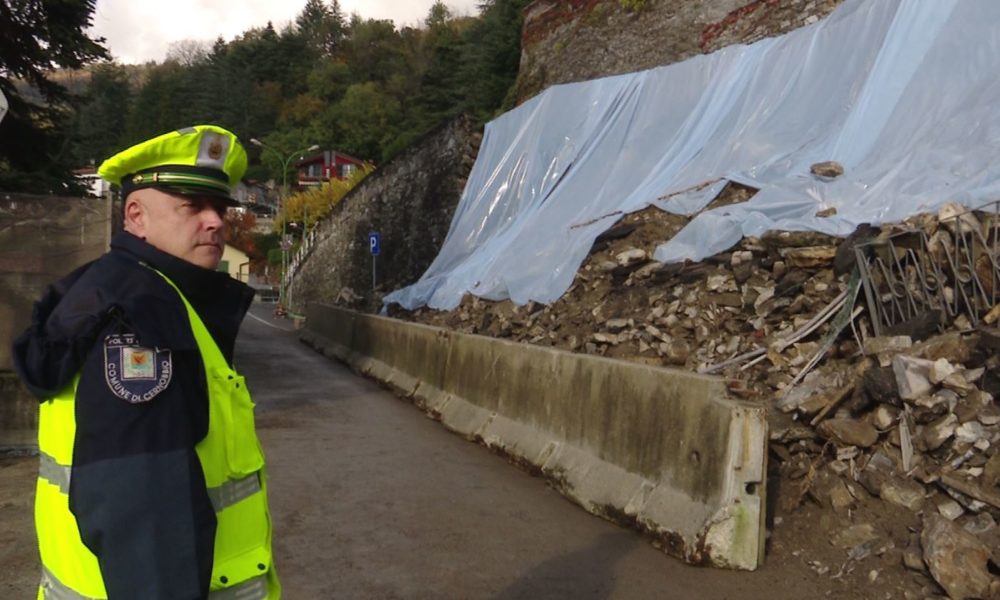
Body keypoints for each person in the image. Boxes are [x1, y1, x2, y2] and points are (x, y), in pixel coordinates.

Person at [13, 125, 280, 599]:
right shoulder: (141, 319)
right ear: (135, 216)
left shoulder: (108, 288)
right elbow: (145, 520)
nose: (216, 221)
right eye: (191, 206)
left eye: (219, 207)